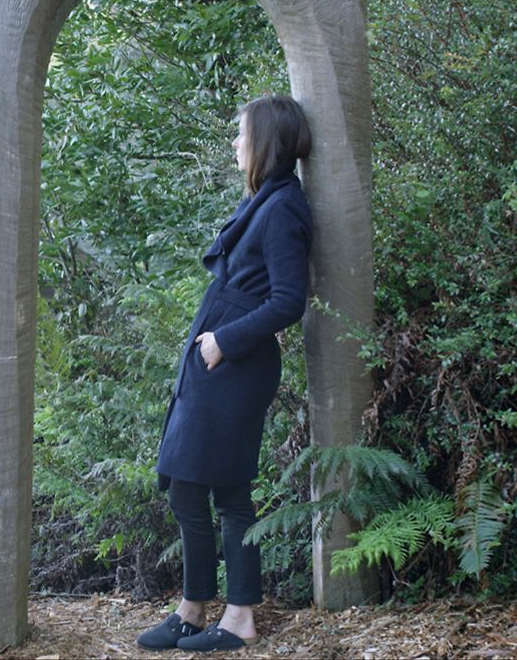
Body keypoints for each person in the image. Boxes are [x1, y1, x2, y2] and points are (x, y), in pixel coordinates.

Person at [136, 94, 313, 652]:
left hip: (235, 367)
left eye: (242, 134)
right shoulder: (265, 200)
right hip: (217, 366)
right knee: (187, 487)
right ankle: (194, 608)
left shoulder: (282, 208)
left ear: (265, 142)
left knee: (222, 492)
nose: (235, 143)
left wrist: (224, 342)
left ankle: (238, 617)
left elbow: (289, 300)